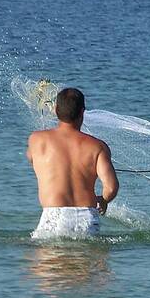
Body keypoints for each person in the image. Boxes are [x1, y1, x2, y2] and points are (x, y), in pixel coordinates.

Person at [26, 88, 119, 239]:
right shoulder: (97, 147)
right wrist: (103, 200)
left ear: (55, 110)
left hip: (53, 216)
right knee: (87, 260)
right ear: (82, 112)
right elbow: (111, 187)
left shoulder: (36, 139)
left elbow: (31, 158)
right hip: (86, 217)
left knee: (46, 260)